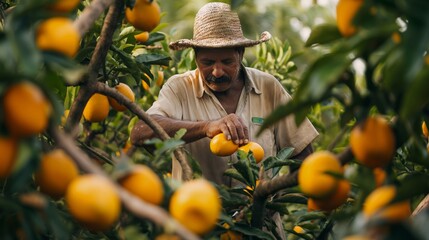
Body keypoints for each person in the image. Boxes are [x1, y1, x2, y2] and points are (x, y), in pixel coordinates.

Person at [131, 2, 318, 237]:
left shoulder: (269, 88)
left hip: (260, 231)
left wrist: (265, 191)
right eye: (207, 62)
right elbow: (140, 132)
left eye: (227, 62)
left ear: (241, 54)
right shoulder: (179, 89)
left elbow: (304, 158)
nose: (217, 72)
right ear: (195, 56)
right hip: (196, 230)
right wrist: (206, 127)